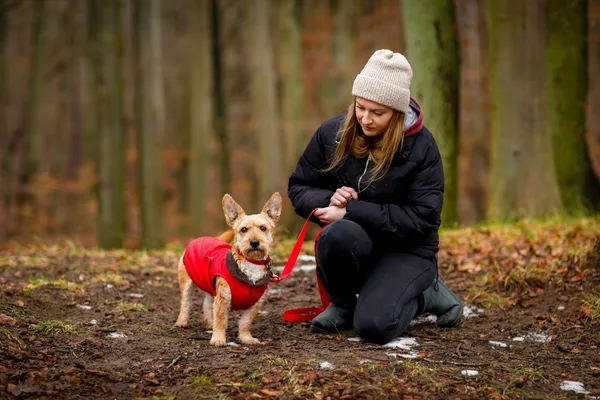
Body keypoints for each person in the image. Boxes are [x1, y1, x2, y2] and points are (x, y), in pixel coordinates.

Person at [287, 49, 463, 344]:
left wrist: (351, 211)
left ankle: (427, 293)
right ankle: (343, 303)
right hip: (360, 242)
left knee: (373, 327)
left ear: (396, 112)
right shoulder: (332, 132)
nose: (366, 119)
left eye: (378, 113)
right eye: (361, 107)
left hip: (408, 251)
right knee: (335, 236)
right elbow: (299, 186)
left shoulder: (422, 148)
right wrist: (331, 199)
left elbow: (423, 218)